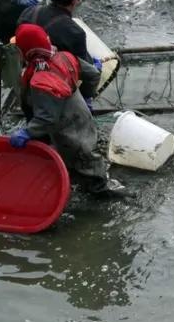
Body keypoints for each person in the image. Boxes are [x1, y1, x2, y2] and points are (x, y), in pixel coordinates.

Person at [8, 23, 125, 197]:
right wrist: (86, 97)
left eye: (19, 48)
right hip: (82, 116)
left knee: (87, 168)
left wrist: (26, 132)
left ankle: (105, 199)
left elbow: (47, 119)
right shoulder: (63, 57)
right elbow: (93, 74)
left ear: (27, 49)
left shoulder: (41, 80)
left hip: (68, 131)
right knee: (89, 155)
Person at [18, 0, 102, 100]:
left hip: (25, 81)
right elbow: (82, 73)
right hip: (53, 90)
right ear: (75, 1)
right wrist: (95, 69)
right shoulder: (75, 32)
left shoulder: (29, 13)